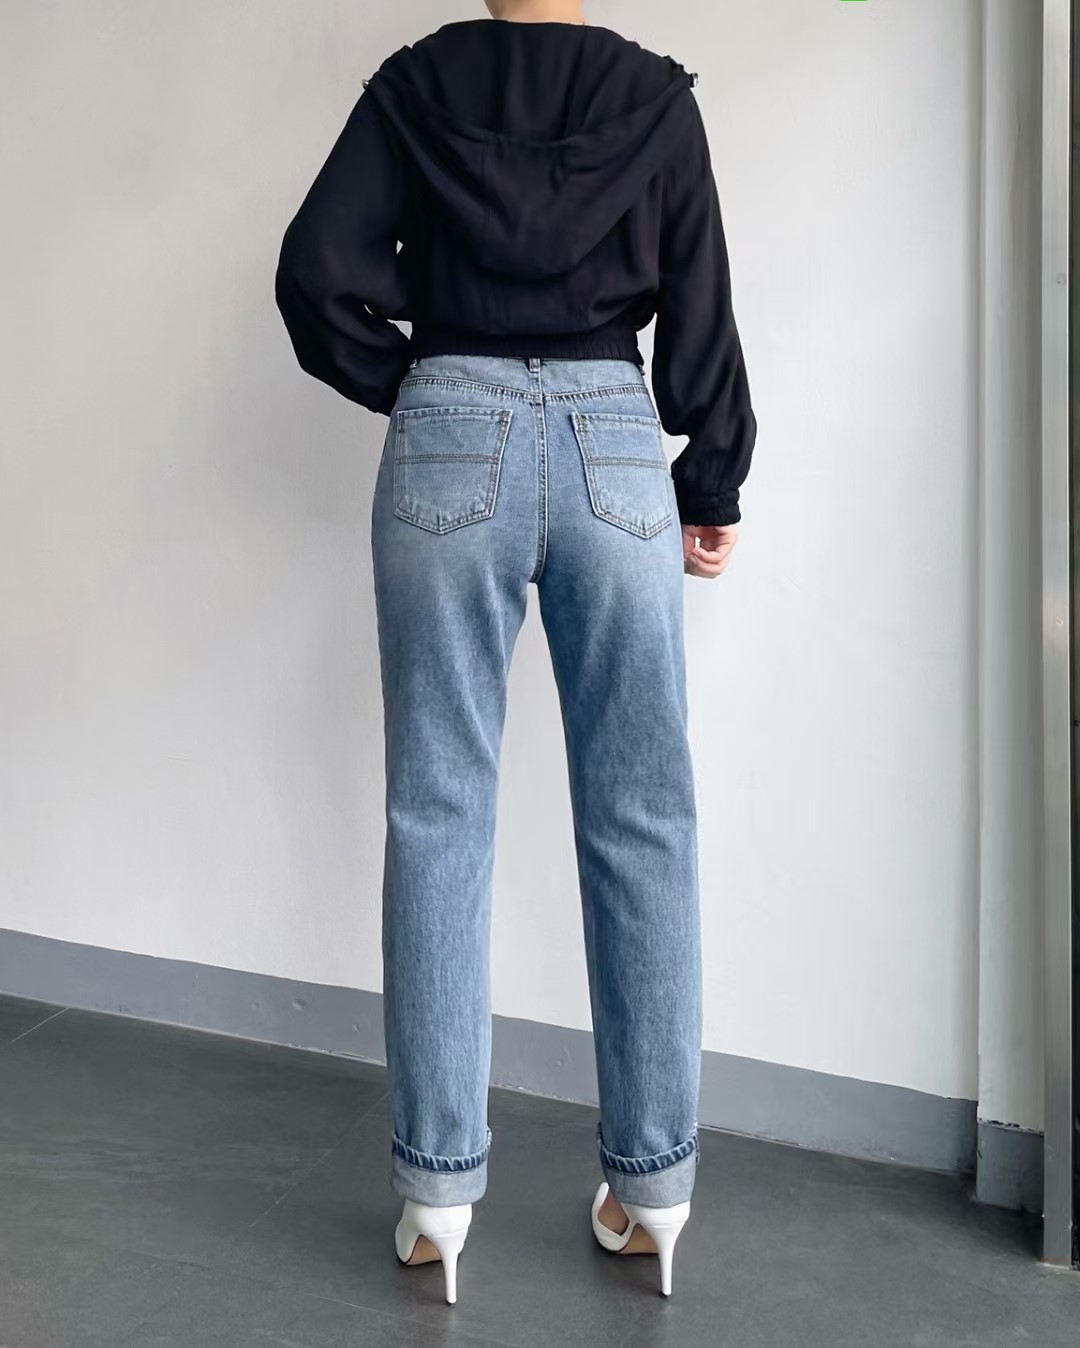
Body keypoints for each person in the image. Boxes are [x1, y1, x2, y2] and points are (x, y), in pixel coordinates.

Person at [274, 0, 756, 1304]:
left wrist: (416, 385)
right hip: (613, 439)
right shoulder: (653, 100)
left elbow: (314, 269)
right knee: (645, 815)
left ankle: (437, 1198)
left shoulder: (419, 83)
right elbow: (702, 300)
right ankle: (654, 1192)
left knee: (438, 810)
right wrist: (712, 478)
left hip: (451, 423)